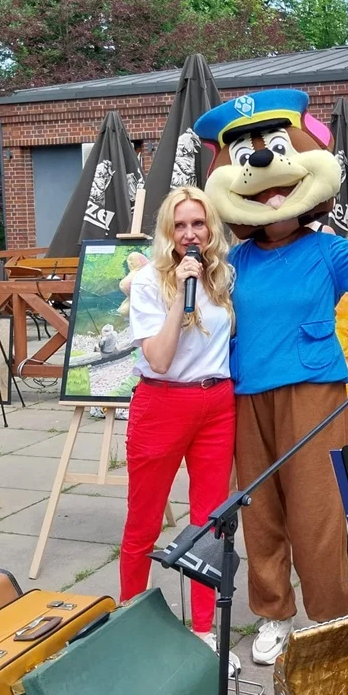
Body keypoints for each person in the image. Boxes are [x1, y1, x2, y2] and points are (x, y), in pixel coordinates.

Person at [194, 88, 348, 665]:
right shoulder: (237, 262)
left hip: (312, 392)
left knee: (316, 511)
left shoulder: (326, 251)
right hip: (246, 395)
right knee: (260, 512)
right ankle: (274, 613)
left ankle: (328, 616)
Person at [117, 186, 238, 669]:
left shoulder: (223, 275)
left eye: (198, 224)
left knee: (210, 521)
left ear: (211, 229)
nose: (190, 234)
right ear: (168, 231)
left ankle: (204, 630)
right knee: (144, 519)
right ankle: (129, 621)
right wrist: (179, 302)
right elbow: (161, 359)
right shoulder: (149, 281)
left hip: (217, 403)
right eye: (181, 225)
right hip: (163, 402)